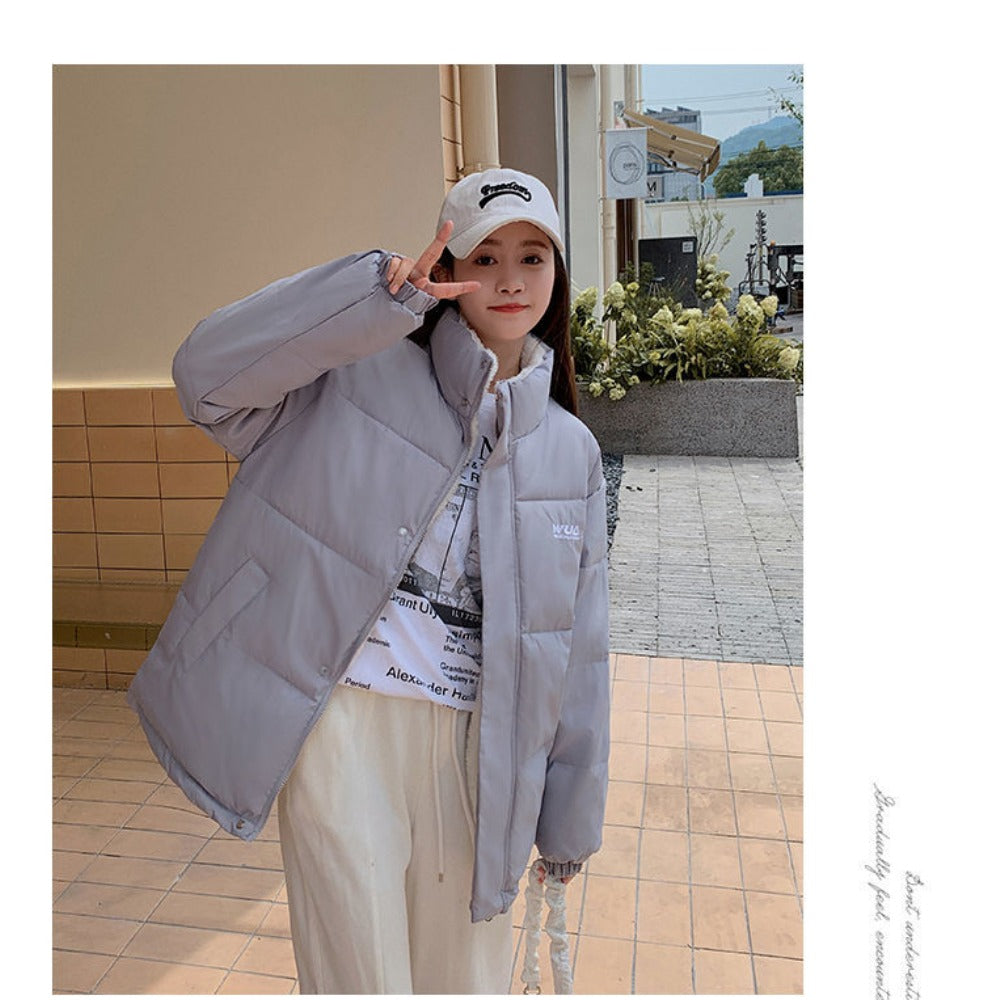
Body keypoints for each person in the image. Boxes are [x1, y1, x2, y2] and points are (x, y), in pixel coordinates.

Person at [127, 167, 611, 994]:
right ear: (445, 266)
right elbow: (203, 379)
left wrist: (568, 820)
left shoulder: (572, 451)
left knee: (466, 981)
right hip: (345, 730)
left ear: (557, 276)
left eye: (532, 258)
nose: (509, 280)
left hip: (480, 749)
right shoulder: (356, 372)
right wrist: (365, 300)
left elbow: (579, 649)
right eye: (485, 257)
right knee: (359, 976)